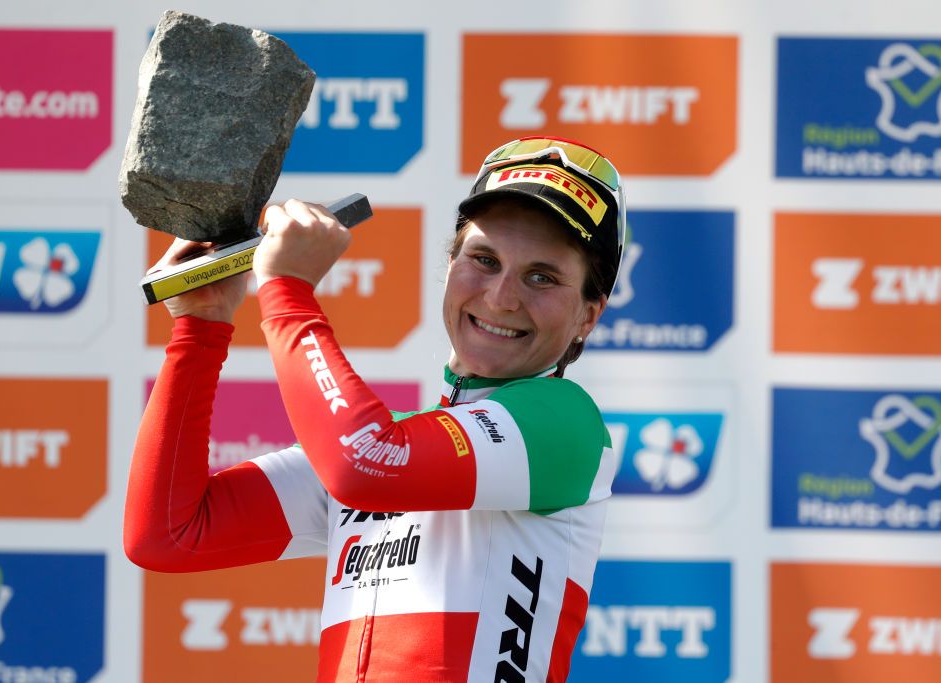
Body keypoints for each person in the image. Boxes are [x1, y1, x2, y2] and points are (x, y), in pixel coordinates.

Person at [124, 136, 626, 682]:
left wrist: (287, 292)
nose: (502, 297)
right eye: (483, 260)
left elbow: (362, 461)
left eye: (542, 277)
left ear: (588, 316)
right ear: (451, 265)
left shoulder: (563, 422)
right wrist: (200, 328)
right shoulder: (397, 446)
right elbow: (168, 534)